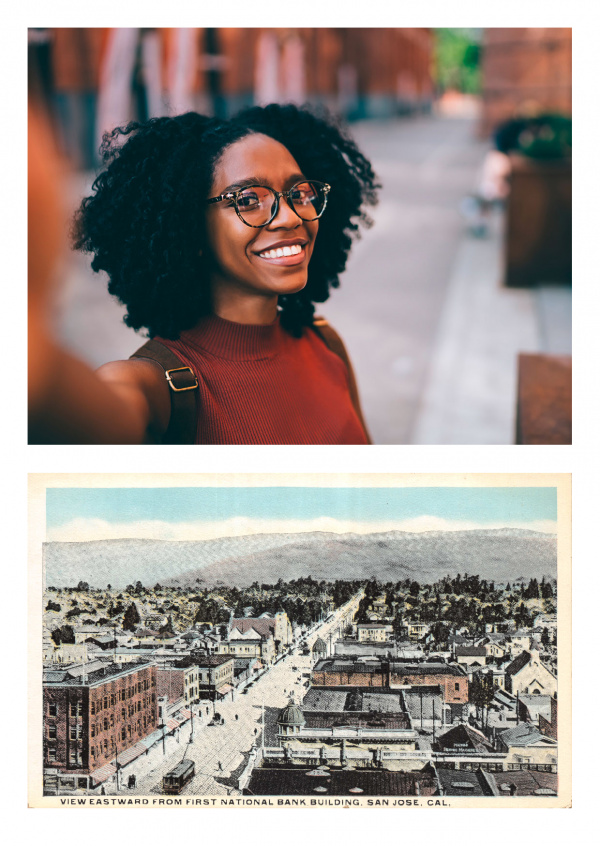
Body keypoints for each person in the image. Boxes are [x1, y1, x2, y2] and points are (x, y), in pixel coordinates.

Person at [40, 103, 378, 444]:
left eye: (300, 193)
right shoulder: (154, 388)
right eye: (248, 200)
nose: (290, 217)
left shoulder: (327, 345)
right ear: (192, 227)